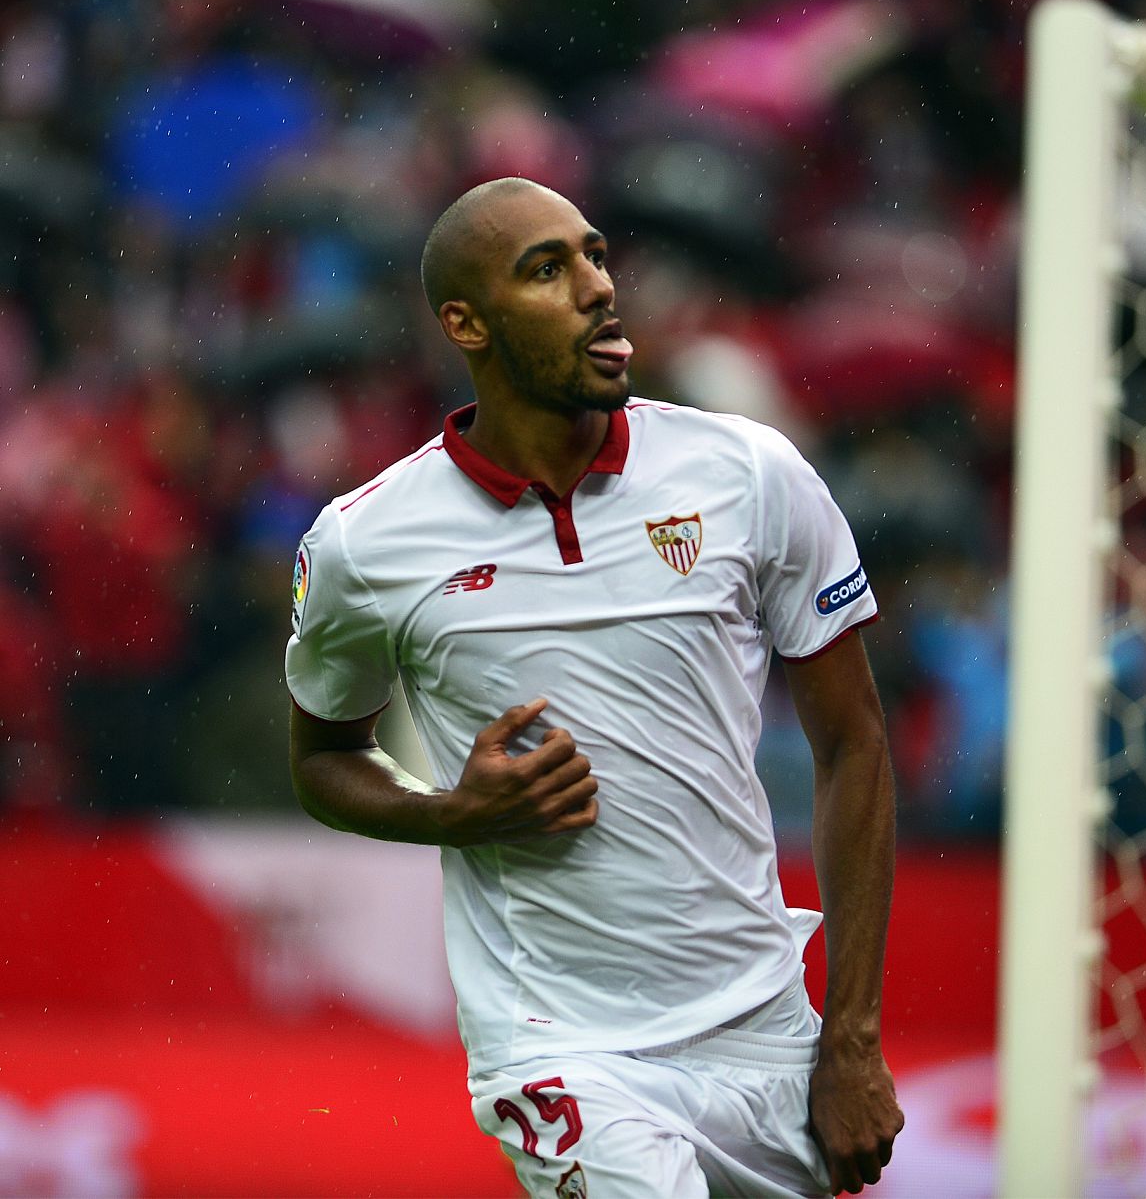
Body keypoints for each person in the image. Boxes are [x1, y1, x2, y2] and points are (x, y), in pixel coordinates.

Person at [285, 176, 903, 1197]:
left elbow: (854, 744)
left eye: (595, 255)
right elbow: (323, 758)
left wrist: (850, 1038)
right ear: (466, 322)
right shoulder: (365, 540)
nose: (597, 288)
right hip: (560, 1041)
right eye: (547, 269)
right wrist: (453, 811)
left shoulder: (749, 474)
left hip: (764, 1034)